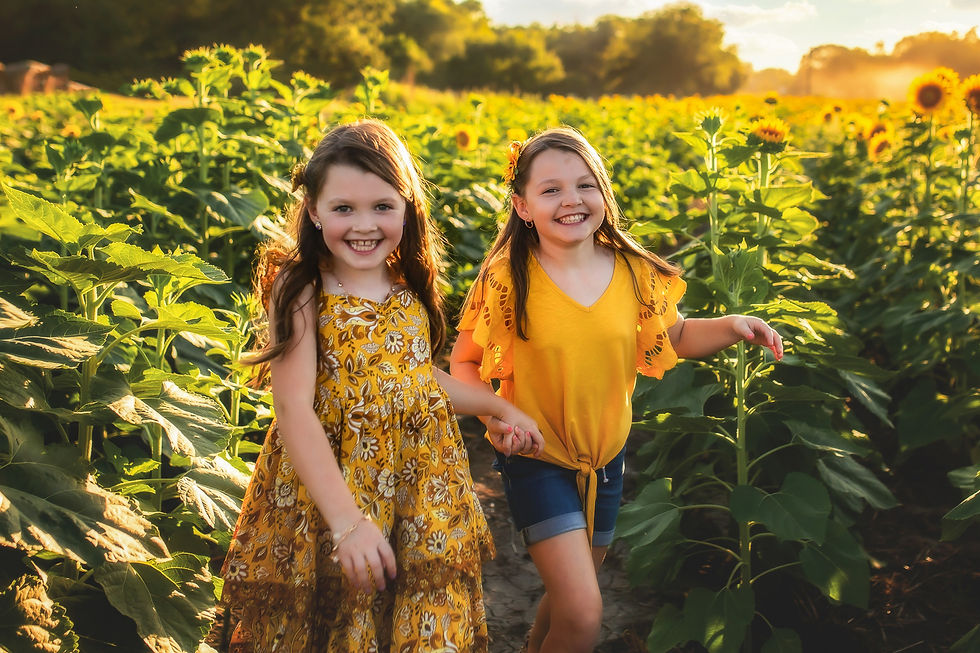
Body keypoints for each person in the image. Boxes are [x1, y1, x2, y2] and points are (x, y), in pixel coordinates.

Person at [450, 127, 784, 653]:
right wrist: (498, 418)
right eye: (551, 189)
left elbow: (674, 336)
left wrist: (732, 324)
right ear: (522, 205)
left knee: (569, 596)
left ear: (604, 193)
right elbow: (464, 364)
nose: (572, 200)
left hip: (606, 460)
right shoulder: (507, 278)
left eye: (586, 185)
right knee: (583, 616)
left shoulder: (634, 273)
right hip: (538, 458)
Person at [218, 119, 543, 653]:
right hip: (332, 495)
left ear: (408, 206)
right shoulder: (300, 287)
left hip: (418, 487)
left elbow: (417, 380)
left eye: (382, 207)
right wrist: (347, 523)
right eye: (343, 208)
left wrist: (497, 407)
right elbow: (294, 409)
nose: (363, 225)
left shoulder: (405, 282)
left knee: (419, 625)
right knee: (337, 625)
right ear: (314, 209)